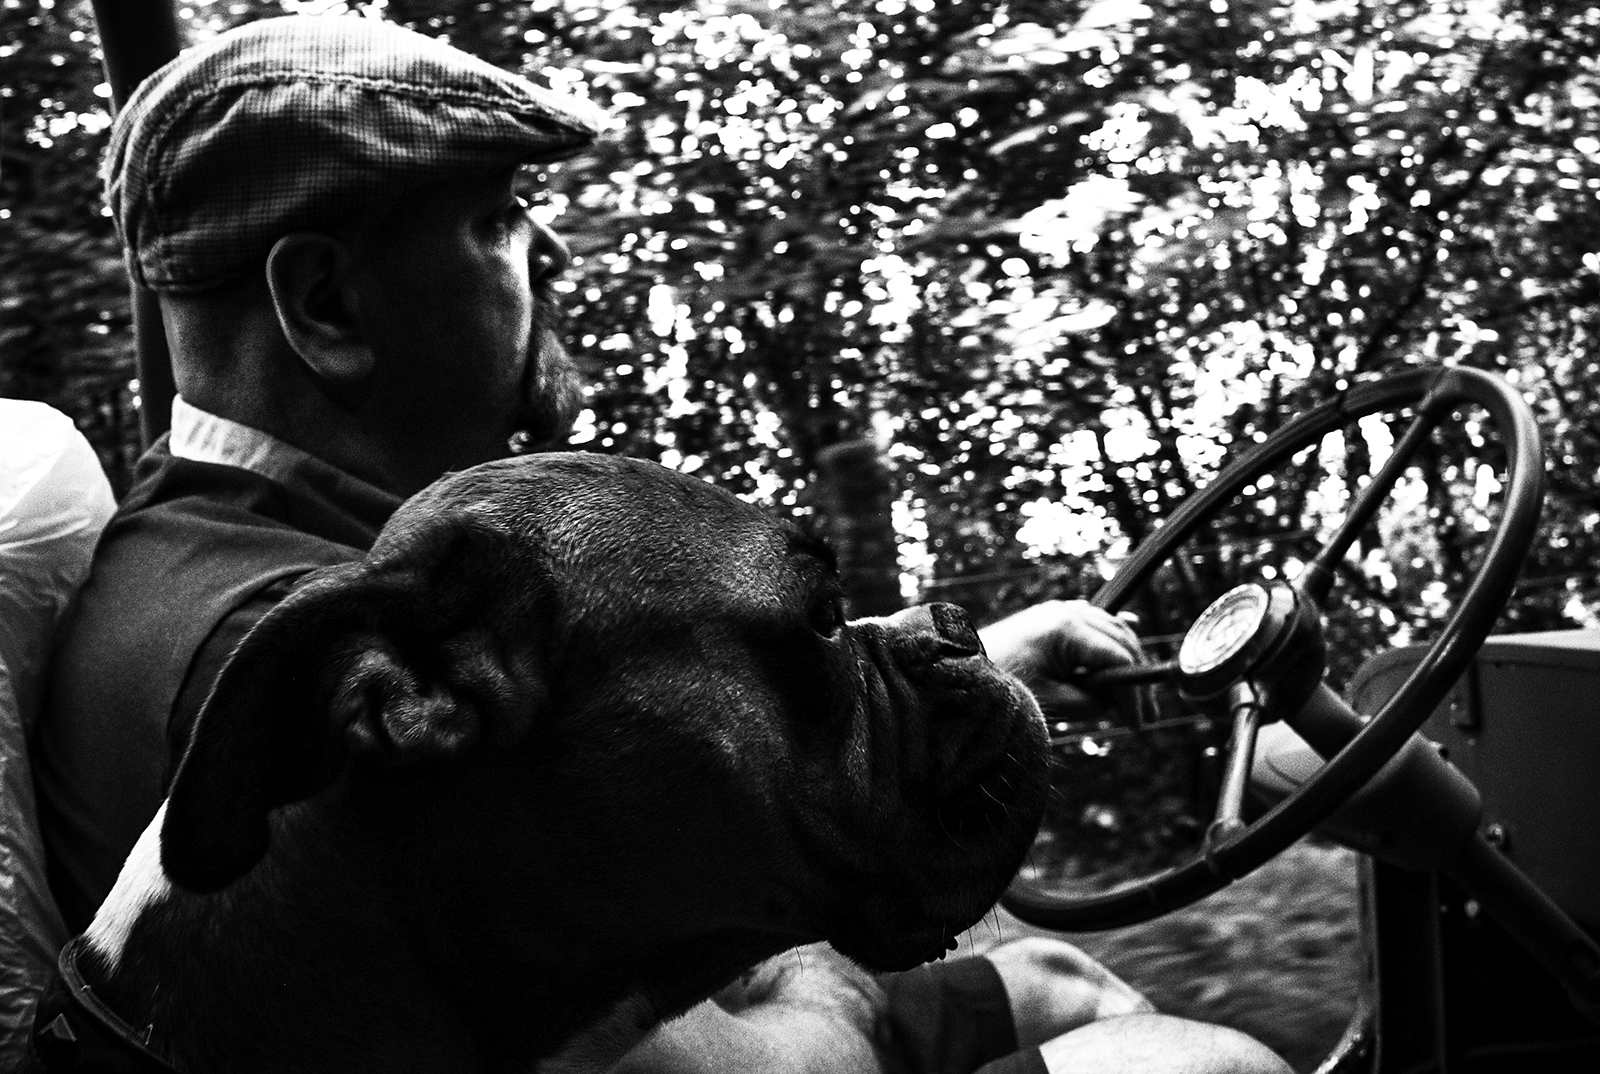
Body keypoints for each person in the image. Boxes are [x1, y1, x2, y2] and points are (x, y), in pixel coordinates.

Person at [30, 15, 1290, 1074]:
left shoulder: (274, 569)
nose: (555, 249)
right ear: (327, 303)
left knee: (1062, 973)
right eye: (500, 214)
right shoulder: (292, 662)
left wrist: (946, 679)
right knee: (1211, 1058)